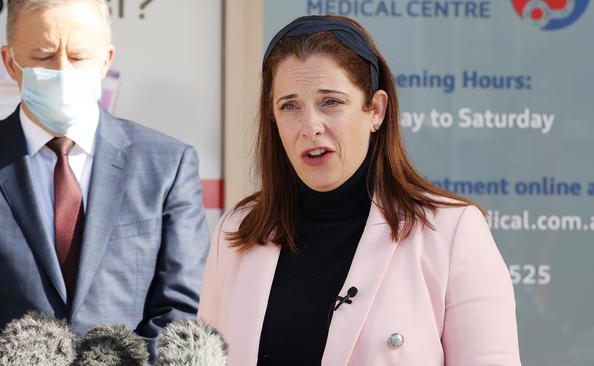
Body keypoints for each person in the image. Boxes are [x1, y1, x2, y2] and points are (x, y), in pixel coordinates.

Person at [198, 15, 520, 366]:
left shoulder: (452, 232)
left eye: (331, 102)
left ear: (375, 111)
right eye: (289, 106)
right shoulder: (235, 233)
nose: (309, 127)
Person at [0, 0, 210, 364]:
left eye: (79, 56)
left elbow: (181, 311)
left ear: (106, 60)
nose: (62, 70)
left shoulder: (167, 165)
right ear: (10, 63)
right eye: (43, 56)